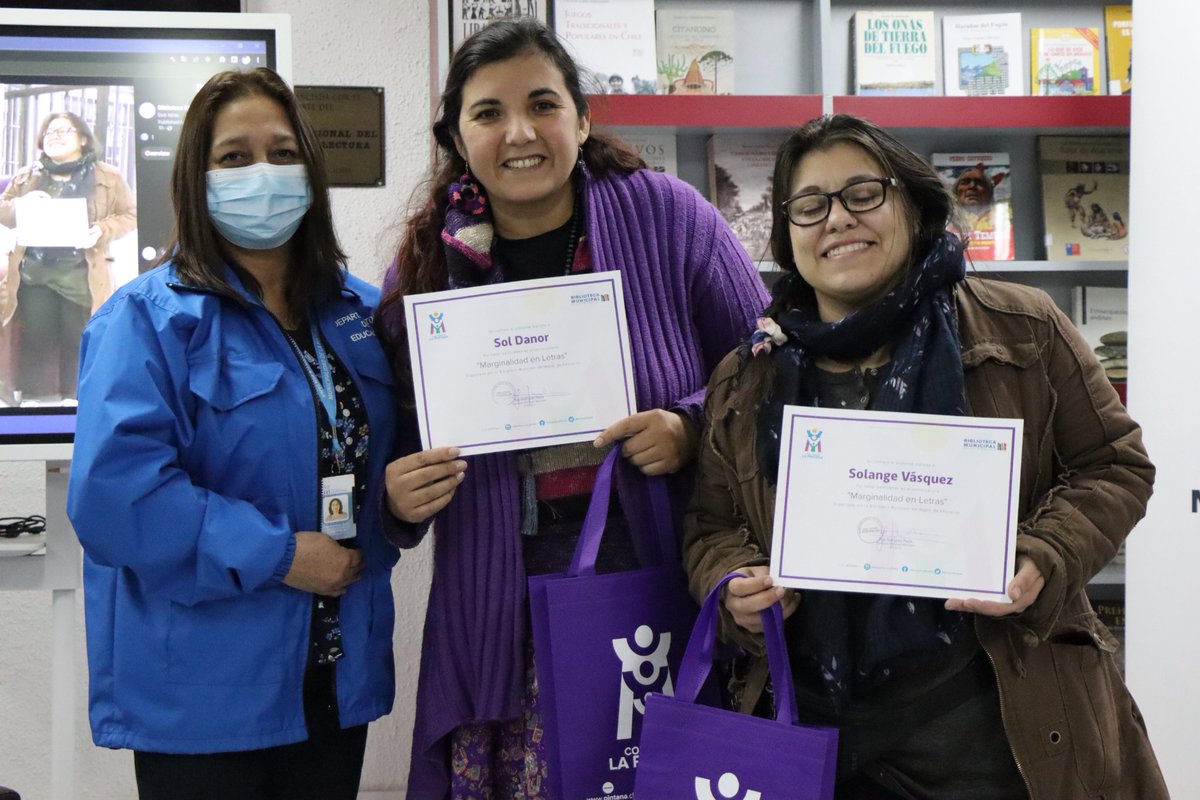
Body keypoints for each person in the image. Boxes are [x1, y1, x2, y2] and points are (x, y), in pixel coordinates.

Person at [681, 114, 1166, 799]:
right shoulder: (748, 371)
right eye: (811, 205)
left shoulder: (1024, 329)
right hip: (810, 722)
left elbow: (1115, 464)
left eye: (863, 194)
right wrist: (733, 583)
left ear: (911, 203)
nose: (838, 219)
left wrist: (1040, 558)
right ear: (789, 233)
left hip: (989, 711)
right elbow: (710, 525)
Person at [375, 17, 768, 799]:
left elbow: (765, 360)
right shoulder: (423, 263)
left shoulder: (669, 215)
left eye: (542, 104)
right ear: (457, 133)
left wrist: (688, 424)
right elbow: (393, 436)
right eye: (488, 112)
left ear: (583, 121)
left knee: (660, 776)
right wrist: (395, 496)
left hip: (657, 569)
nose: (519, 132)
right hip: (501, 595)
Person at [66, 68, 398, 800]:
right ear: (197, 176)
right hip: (201, 701)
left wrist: (399, 508)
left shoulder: (363, 316)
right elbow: (118, 502)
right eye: (235, 158)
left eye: (283, 153)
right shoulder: (145, 320)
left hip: (335, 683)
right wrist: (280, 555)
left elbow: (388, 469)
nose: (264, 174)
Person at [0, 110, 136, 404]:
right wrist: (21, 205)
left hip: (83, 273)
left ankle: (77, 400)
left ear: (83, 139)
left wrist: (101, 229)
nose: (54, 137)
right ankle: (37, 399)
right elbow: (4, 210)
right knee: (37, 338)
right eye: (49, 133)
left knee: (79, 337)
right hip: (35, 273)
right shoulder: (27, 176)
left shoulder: (108, 177)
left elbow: (131, 215)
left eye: (64, 131)